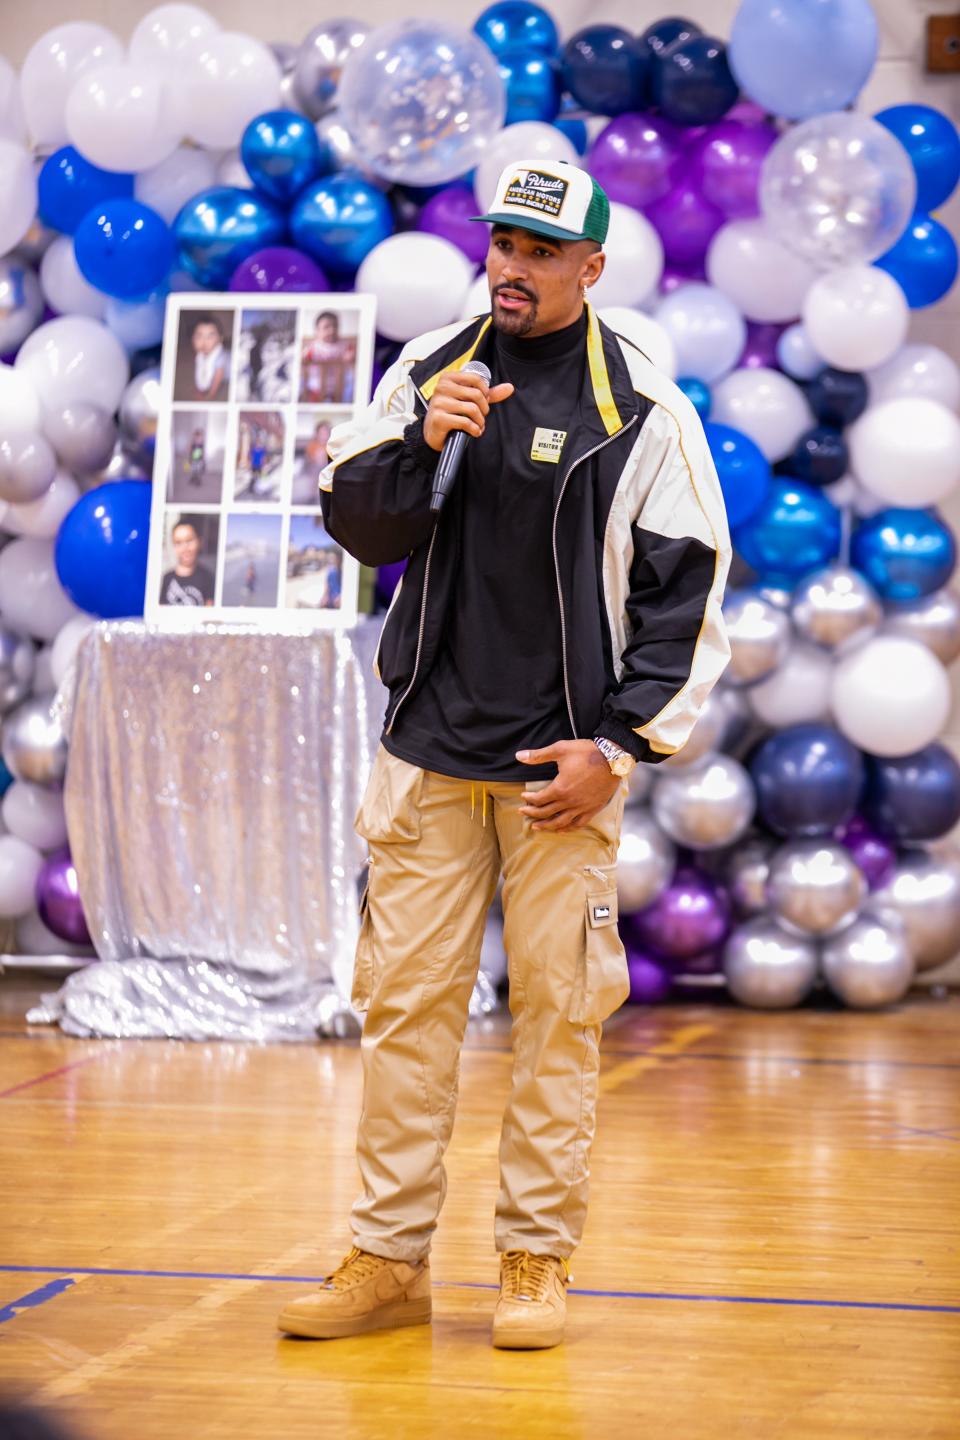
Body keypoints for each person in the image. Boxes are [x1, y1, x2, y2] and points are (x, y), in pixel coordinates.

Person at [279, 160, 730, 1349]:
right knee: (405, 1014)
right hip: (429, 757)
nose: (512, 268)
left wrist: (619, 746)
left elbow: (690, 597)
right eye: (502, 245)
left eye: (540, 252)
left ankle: (533, 1262)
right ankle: (386, 1260)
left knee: (558, 1024)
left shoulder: (639, 411)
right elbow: (356, 521)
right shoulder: (432, 370)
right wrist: (422, 444)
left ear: (591, 268)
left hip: (558, 781)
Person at [300, 311, 355, 404]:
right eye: (326, 327)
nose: (332, 330)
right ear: (317, 331)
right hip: (316, 386)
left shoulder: (343, 345)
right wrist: (305, 358)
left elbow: (351, 352)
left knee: (349, 389)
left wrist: (350, 356)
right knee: (307, 392)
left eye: (335, 326)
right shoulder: (313, 346)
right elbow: (304, 357)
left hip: (338, 386)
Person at [159, 520, 215, 606]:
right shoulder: (167, 578)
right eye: (178, 542)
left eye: (189, 540)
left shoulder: (208, 578)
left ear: (200, 542)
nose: (185, 548)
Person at [187, 315, 228, 402]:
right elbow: (201, 368)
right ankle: (202, 388)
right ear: (192, 340)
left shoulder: (220, 358)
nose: (204, 342)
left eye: (210, 337)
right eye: (199, 336)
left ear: (220, 339)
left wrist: (211, 395)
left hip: (224, 374)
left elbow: (217, 379)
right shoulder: (201, 355)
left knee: (218, 380)